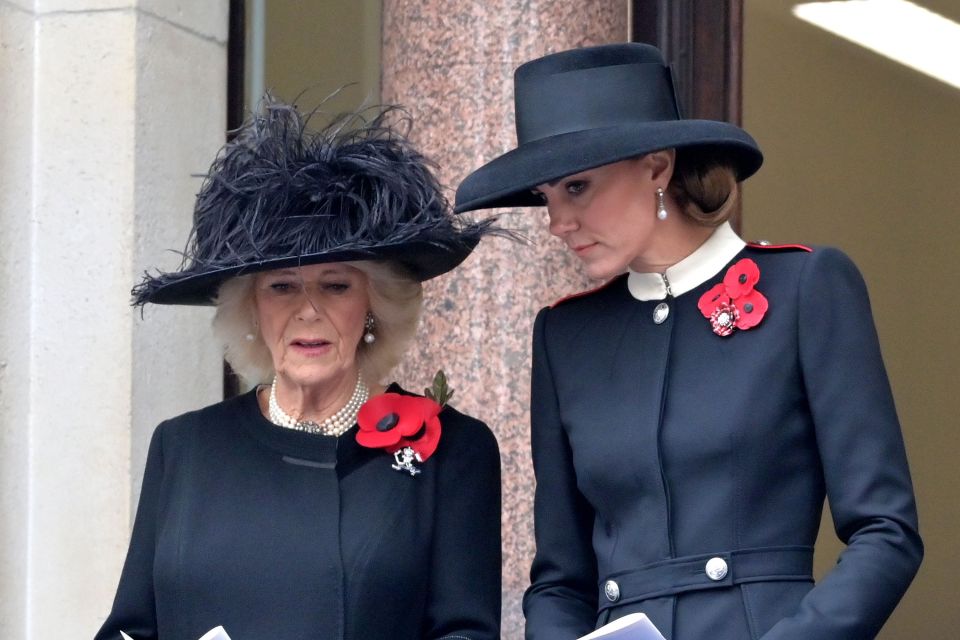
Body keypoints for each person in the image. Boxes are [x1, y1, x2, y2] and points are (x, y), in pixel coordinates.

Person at [455, 43, 922, 640]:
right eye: (547, 197)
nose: (557, 222)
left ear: (657, 167)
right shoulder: (564, 336)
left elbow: (887, 532)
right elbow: (560, 581)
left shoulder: (806, 287)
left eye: (576, 187)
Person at [95, 98, 502, 640]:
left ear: (374, 305)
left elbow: (466, 633)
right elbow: (128, 630)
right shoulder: (184, 447)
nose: (308, 310)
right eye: (281, 287)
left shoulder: (454, 451)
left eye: (336, 285)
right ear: (251, 309)